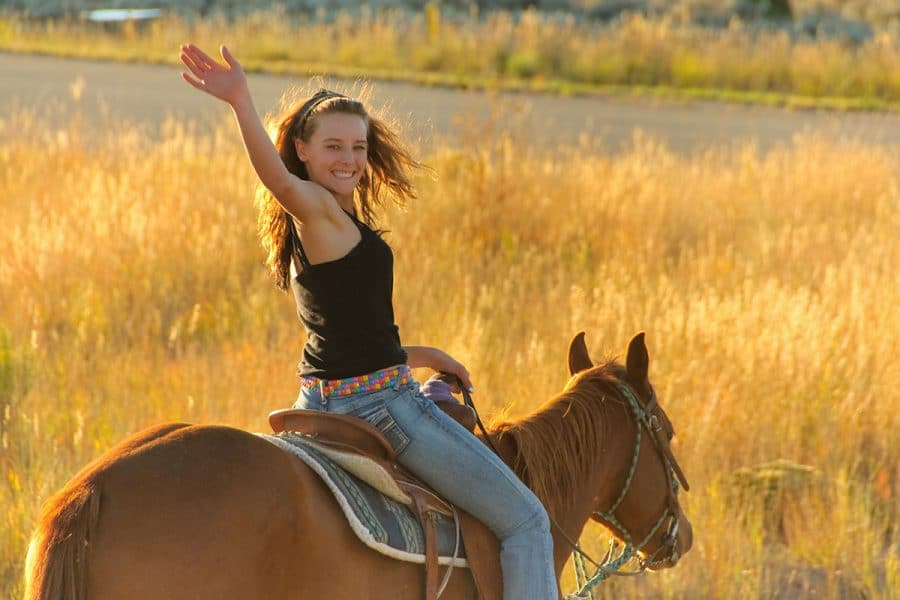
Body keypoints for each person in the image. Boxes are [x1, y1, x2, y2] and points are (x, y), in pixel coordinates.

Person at [179, 43, 558, 599]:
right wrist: (241, 103)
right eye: (333, 146)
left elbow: (352, 337)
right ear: (303, 151)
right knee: (528, 523)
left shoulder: (336, 222)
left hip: (319, 402)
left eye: (357, 147)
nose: (349, 159)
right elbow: (277, 183)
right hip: (384, 409)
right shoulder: (317, 210)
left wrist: (429, 357)